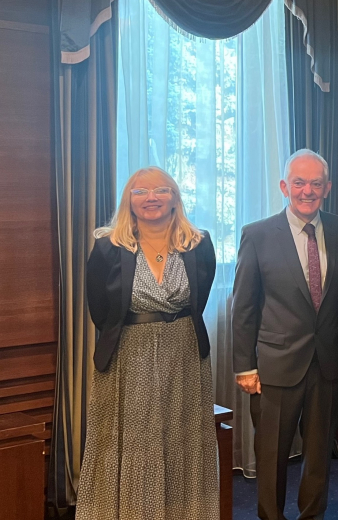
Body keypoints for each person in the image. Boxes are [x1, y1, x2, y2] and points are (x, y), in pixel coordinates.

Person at [77, 167, 218, 520]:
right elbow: (100, 311)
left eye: (160, 190)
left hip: (184, 354)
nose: (151, 197)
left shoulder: (199, 243)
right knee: (132, 442)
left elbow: (198, 301)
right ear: (129, 199)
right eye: (140, 191)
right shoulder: (107, 246)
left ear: (174, 197)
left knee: (181, 439)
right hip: (128, 354)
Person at [232, 150, 338, 520]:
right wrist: (244, 367)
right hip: (274, 367)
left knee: (319, 457)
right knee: (271, 456)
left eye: (316, 183)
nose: (307, 191)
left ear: (327, 188)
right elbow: (244, 306)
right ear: (285, 186)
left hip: (327, 365)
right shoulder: (258, 234)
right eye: (299, 182)